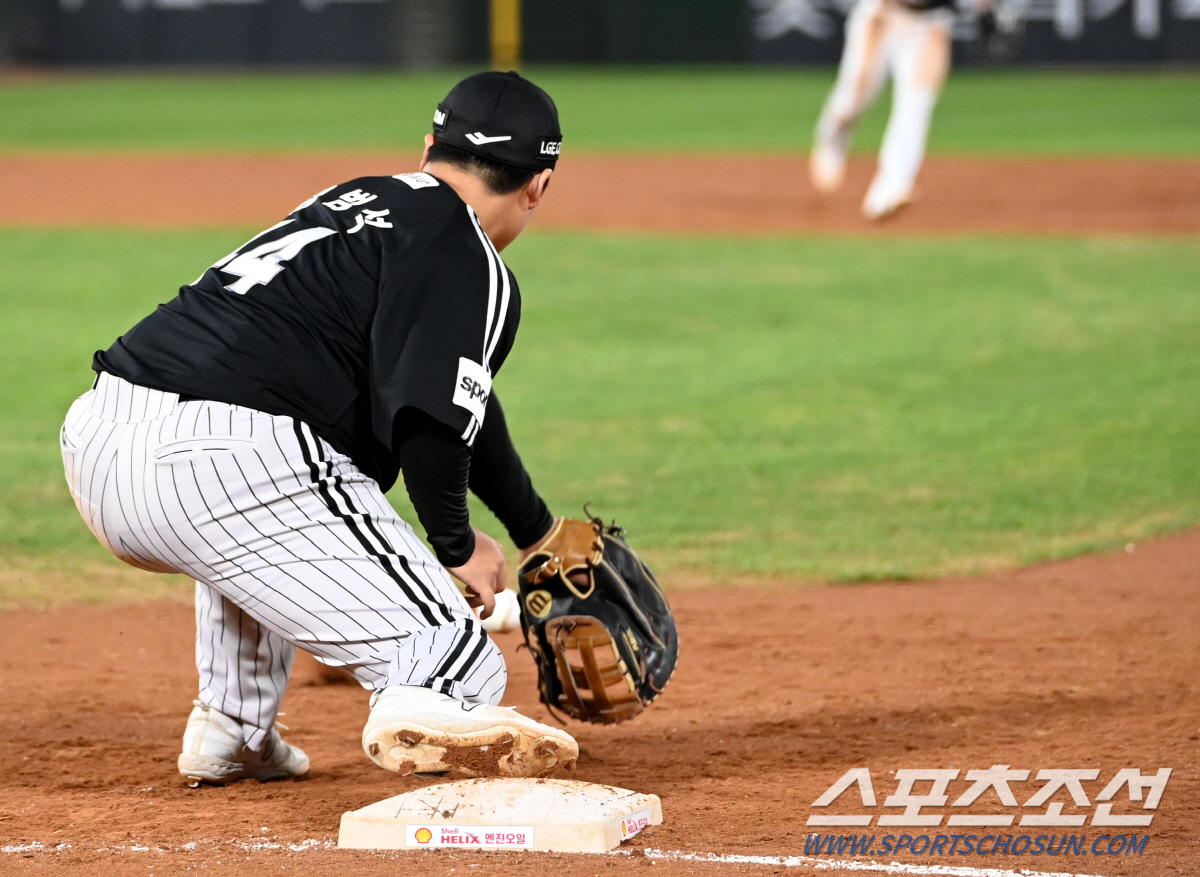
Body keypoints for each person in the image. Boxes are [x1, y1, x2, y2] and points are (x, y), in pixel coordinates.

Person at [59, 71, 578, 785]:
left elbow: (462, 403)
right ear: (538, 185)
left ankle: (235, 726)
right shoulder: (469, 257)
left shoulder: (352, 200)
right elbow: (431, 418)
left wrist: (534, 532)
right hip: (227, 460)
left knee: (262, 527)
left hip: (101, 437)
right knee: (452, 654)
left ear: (429, 147)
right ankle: (428, 697)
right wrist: (456, 545)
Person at [809, 0, 961, 219]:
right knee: (857, 93)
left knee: (917, 102)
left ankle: (891, 188)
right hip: (883, 15)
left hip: (930, 22)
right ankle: (833, 136)